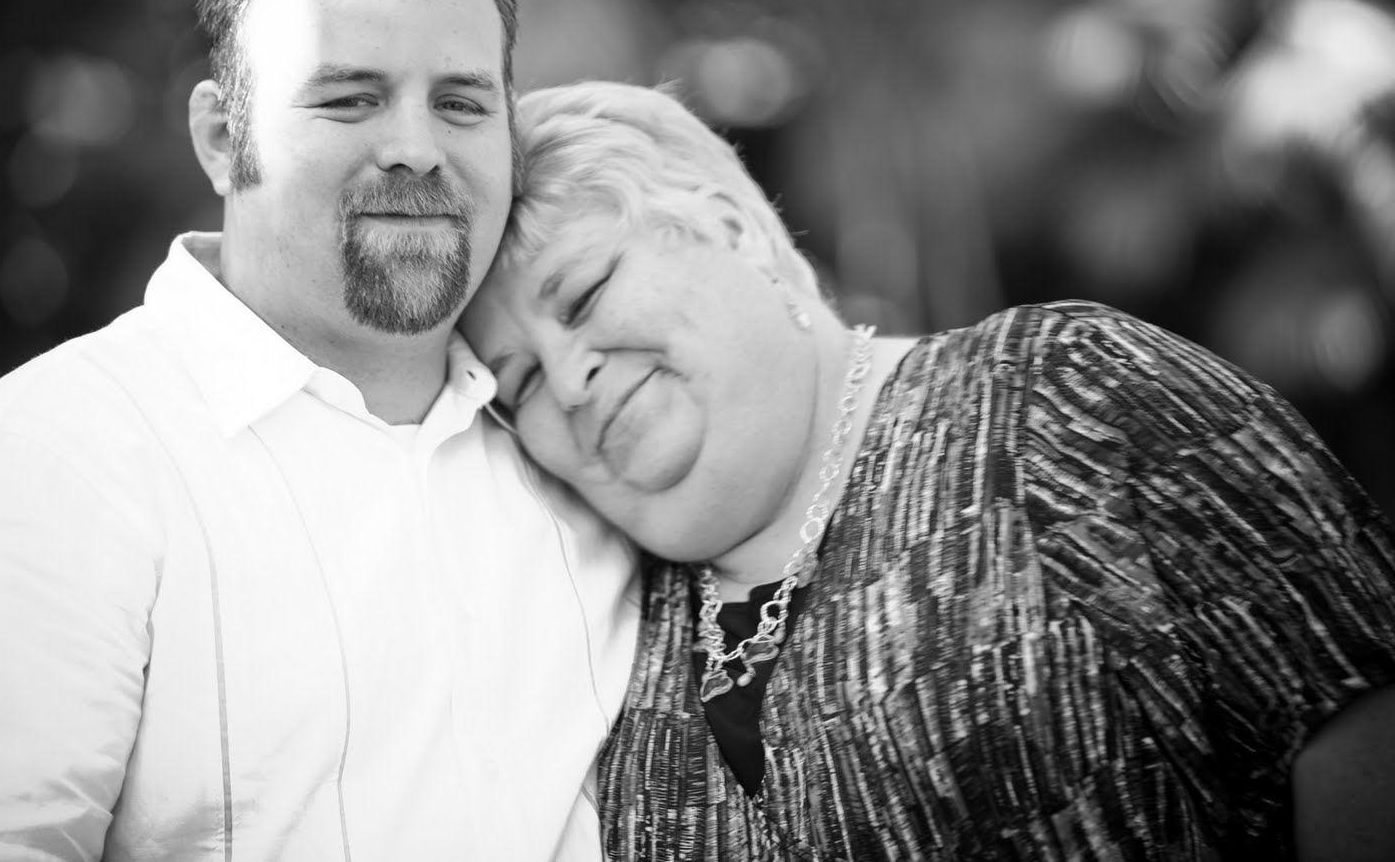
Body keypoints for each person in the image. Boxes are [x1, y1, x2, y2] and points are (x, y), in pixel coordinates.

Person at [0, 0, 637, 861]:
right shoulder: (49, 468)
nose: (415, 147)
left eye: (460, 103)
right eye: (349, 97)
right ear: (220, 135)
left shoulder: (588, 452)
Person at [460, 80, 1395, 861]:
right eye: (523, 379)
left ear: (731, 226)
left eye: (583, 294)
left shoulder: (1069, 398)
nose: (571, 381)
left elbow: (1354, 712)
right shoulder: (594, 636)